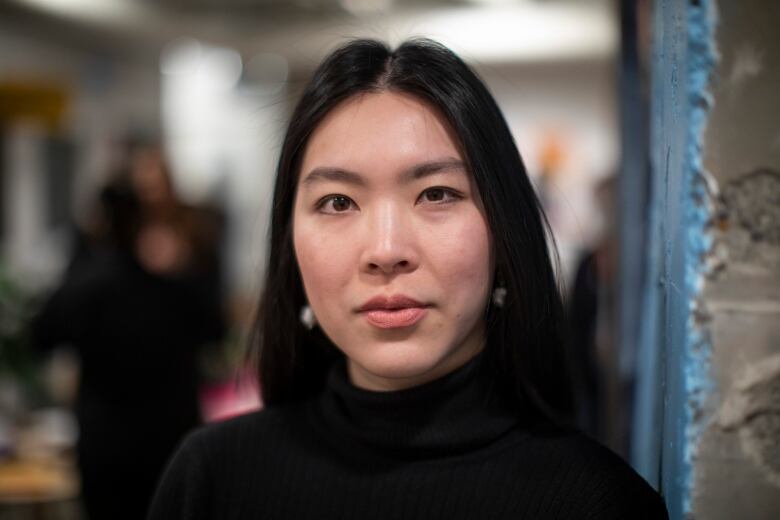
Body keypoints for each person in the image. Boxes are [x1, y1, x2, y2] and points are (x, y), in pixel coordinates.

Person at [148, 39, 668, 519]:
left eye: (437, 194)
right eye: (337, 202)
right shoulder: (211, 481)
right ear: (290, 244)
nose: (386, 251)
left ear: (504, 231)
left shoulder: (596, 502)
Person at [32, 141, 225, 520]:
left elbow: (215, 329)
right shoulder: (94, 261)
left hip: (169, 429)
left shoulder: (193, 244)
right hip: (108, 435)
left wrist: (179, 271)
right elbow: (46, 331)